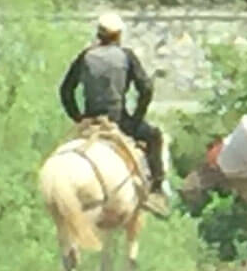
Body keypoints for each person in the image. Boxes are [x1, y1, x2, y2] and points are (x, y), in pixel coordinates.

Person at [59, 12, 170, 217]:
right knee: (154, 136)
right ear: (118, 35)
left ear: (98, 34)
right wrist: (136, 119)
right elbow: (146, 89)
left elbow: (66, 90)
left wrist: (78, 117)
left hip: (90, 121)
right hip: (119, 121)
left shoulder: (85, 57)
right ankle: (156, 190)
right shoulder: (126, 56)